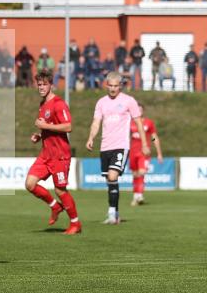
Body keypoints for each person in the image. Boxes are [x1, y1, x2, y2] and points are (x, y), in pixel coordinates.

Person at [86, 72, 149, 225]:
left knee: (113, 176)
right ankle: (116, 213)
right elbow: (96, 122)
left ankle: (112, 214)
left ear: (120, 86)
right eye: (110, 86)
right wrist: (91, 138)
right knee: (109, 180)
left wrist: (145, 144)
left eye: (116, 86)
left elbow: (139, 123)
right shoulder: (101, 102)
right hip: (105, 147)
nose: (113, 89)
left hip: (121, 146)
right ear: (106, 85)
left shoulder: (129, 101)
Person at [25, 70, 80, 235]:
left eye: (44, 84)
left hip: (60, 155)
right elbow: (48, 128)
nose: (41, 87)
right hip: (46, 154)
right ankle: (55, 206)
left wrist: (45, 126)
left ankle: (75, 224)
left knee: (60, 190)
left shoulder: (58, 104)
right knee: (30, 184)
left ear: (51, 85)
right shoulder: (43, 105)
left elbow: (68, 126)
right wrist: (39, 135)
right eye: (39, 85)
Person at [129, 105, 163, 206]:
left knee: (142, 172)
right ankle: (136, 195)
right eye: (137, 109)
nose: (139, 111)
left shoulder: (148, 123)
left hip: (144, 152)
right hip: (132, 152)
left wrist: (159, 153)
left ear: (143, 111)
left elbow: (153, 137)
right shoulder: (130, 122)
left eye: (140, 109)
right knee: (135, 174)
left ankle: (139, 195)